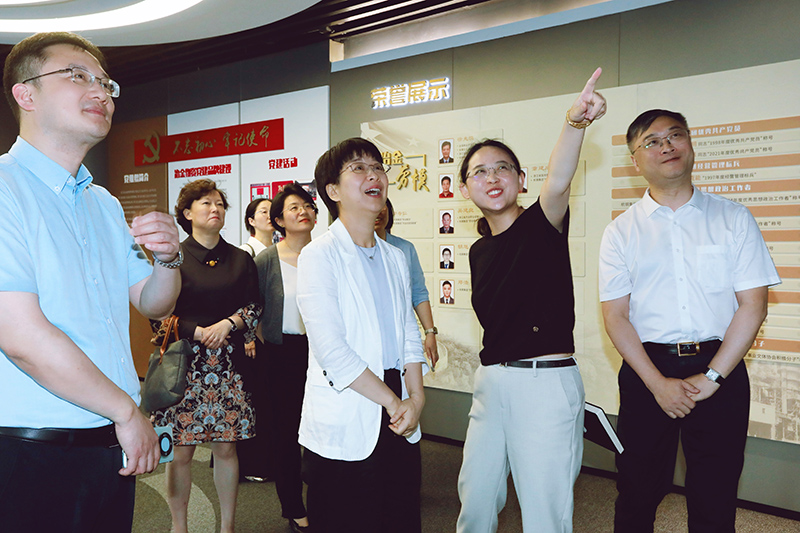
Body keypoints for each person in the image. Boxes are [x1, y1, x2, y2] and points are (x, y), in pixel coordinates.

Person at [0, 32, 182, 532]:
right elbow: (21, 337)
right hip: (30, 449)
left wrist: (169, 260)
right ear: (26, 94)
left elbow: (153, 303)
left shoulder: (102, 202)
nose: (101, 92)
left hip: (108, 444)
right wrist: (127, 412)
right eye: (77, 76)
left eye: (106, 83)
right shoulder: (5, 189)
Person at [598, 109, 780, 533]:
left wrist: (713, 377)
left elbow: (753, 305)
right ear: (635, 160)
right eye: (652, 141)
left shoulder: (733, 218)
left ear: (690, 144)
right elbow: (616, 316)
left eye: (675, 135)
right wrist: (657, 383)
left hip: (721, 367)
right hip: (647, 370)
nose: (666, 146)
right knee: (637, 490)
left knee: (716, 493)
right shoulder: (620, 232)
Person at [456, 68, 606, 533]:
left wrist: (575, 122)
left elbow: (559, 179)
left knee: (544, 513)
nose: (492, 177)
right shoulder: (478, 250)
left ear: (521, 179)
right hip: (492, 383)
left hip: (544, 384)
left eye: (502, 168)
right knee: (475, 501)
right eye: (479, 171)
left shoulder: (542, 224)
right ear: (464, 189)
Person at [297, 138, 428, 532]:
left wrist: (416, 397)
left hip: (399, 409)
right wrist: (394, 402)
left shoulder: (395, 257)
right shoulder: (319, 255)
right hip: (351, 405)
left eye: (377, 167)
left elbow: (408, 331)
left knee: (400, 519)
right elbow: (332, 351)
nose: (374, 175)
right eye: (358, 168)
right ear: (333, 191)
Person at [152, 178, 261, 533]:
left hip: (228, 369)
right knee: (181, 452)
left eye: (220, 204)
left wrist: (229, 324)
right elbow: (156, 316)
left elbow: (255, 306)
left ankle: (227, 526)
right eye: (206, 203)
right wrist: (197, 331)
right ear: (187, 213)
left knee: (226, 450)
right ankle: (179, 526)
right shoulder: (172, 259)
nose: (215, 209)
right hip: (183, 367)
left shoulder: (241, 259)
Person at [253, 183, 318, 532]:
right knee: (286, 433)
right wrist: (265, 341)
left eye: (307, 205)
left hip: (323, 354)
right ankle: (294, 506)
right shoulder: (267, 259)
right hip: (282, 355)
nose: (303, 211)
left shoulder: (325, 254)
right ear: (278, 220)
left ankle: (324, 498)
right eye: (293, 207)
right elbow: (253, 308)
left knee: (322, 426)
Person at [375, 198, 440, 369]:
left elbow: (418, 293)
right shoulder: (352, 249)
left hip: (402, 335)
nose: (378, 212)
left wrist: (430, 332)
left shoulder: (404, 248)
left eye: (383, 207)